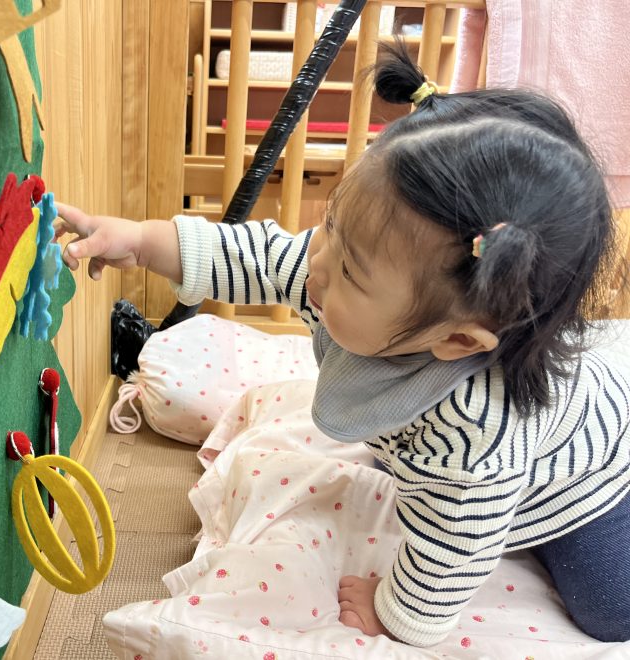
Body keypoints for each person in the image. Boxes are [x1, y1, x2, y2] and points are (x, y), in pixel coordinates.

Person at [54, 42, 630, 647]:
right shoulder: (337, 278)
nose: (318, 263)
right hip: (477, 452)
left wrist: (398, 613)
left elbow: (457, 544)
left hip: (591, 481)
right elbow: (257, 255)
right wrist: (141, 241)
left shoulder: (474, 430)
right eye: (330, 225)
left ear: (458, 338)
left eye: (351, 267)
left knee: (611, 611)